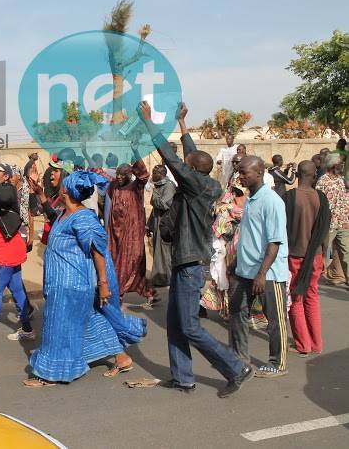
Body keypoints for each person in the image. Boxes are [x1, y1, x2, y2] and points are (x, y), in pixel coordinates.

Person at [138, 101, 252, 398]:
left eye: (187, 167)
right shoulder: (205, 182)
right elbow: (191, 158)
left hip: (190, 263)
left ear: (192, 172)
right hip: (184, 260)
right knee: (175, 323)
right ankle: (183, 378)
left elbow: (174, 160)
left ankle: (236, 368)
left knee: (189, 326)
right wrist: (183, 125)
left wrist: (150, 122)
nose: (183, 168)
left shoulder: (197, 186)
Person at [23, 170, 147, 386]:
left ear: (66, 191)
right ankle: (122, 357)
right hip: (63, 282)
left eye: (62, 184)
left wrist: (103, 284)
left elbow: (98, 252)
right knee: (91, 320)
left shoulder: (83, 218)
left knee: (59, 327)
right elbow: (55, 219)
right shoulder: (66, 213)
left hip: (72, 284)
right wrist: (41, 195)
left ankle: (53, 374)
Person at [229, 155, 290, 378]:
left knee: (275, 320)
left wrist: (262, 273)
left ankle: (278, 363)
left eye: (245, 172)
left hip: (268, 273)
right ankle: (239, 358)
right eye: (239, 172)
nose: (241, 176)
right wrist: (236, 263)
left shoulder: (272, 201)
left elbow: (274, 241)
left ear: (260, 172)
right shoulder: (251, 199)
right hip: (245, 270)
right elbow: (250, 237)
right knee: (237, 314)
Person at [0, 163, 34, 343]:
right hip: (10, 247)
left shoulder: (9, 189)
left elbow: (3, 197)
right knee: (18, 290)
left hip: (6, 250)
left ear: (6, 176)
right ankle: (27, 329)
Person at [283, 161, 330, 356]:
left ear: (298, 174)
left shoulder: (289, 197)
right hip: (316, 256)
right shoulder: (321, 197)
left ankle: (303, 344)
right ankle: (317, 343)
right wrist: (324, 257)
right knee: (312, 298)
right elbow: (324, 231)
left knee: (296, 299)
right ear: (313, 175)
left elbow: (282, 229)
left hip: (295, 257)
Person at [105, 146, 156, 305]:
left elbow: (144, 175)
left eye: (122, 175)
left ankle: (118, 294)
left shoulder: (136, 188)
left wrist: (136, 152)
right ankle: (147, 291)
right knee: (114, 262)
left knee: (129, 262)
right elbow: (99, 174)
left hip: (131, 234)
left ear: (130, 175)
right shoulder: (113, 186)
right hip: (114, 234)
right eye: (118, 174)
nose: (119, 177)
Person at [201, 181, 247, 320]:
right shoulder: (226, 208)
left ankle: (236, 311)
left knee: (233, 280)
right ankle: (230, 311)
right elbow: (219, 230)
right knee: (229, 279)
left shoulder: (233, 207)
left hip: (240, 249)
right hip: (229, 249)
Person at [316, 153, 349, 286]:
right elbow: (318, 203)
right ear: (335, 165)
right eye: (341, 163)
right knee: (325, 251)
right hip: (328, 224)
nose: (342, 165)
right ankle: (318, 276)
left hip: (343, 222)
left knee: (346, 251)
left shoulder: (342, 180)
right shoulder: (322, 181)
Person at [147, 165, 176, 287]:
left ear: (161, 173)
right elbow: (155, 209)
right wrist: (149, 225)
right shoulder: (159, 186)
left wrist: (154, 196)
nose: (152, 175)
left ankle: (167, 278)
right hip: (157, 222)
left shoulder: (168, 186)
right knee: (158, 251)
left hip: (166, 224)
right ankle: (159, 278)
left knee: (165, 252)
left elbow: (164, 204)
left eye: (154, 172)